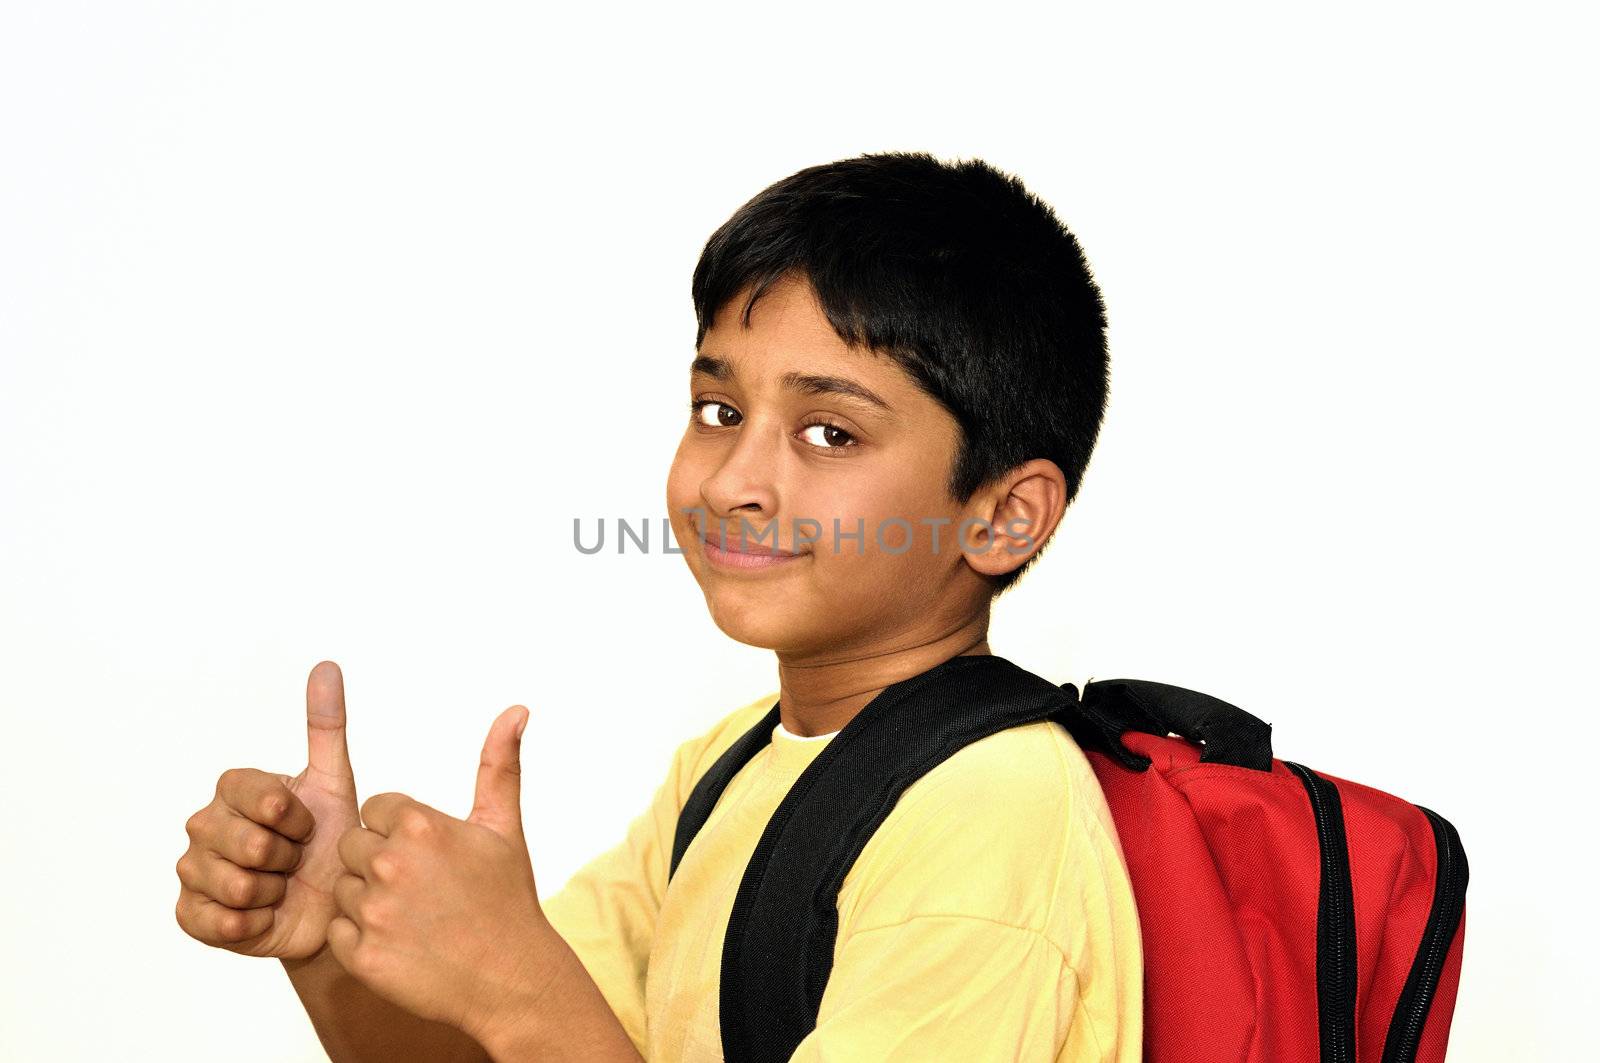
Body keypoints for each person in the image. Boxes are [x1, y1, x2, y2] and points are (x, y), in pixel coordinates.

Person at [174, 151, 1142, 1061]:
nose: (732, 483)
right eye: (718, 411)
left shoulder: (986, 817)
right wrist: (328, 950)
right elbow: (505, 1046)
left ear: (1005, 516)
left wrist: (518, 984)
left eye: (828, 430)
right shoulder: (732, 765)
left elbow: (531, 1018)